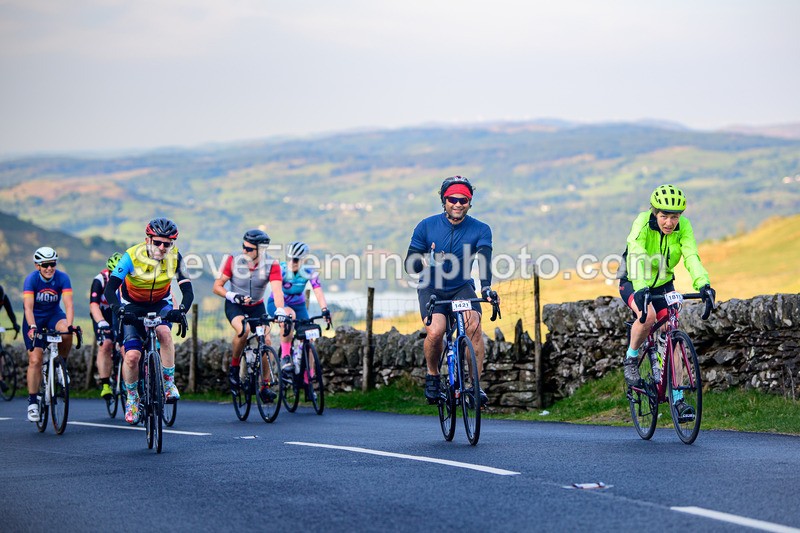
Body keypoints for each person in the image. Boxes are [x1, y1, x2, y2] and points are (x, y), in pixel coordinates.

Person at [618, 184, 715, 420]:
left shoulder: (684, 227)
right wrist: (641, 289)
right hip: (632, 278)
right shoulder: (642, 222)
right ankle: (631, 359)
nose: (669, 222)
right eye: (664, 216)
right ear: (654, 213)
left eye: (674, 216)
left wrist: (703, 284)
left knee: (674, 335)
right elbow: (637, 255)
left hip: (663, 283)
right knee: (648, 316)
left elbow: (691, 255)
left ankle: (678, 401)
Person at [404, 175, 496, 406]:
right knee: (436, 331)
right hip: (431, 287)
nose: (457, 203)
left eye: (463, 200)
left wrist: (486, 288)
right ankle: (433, 375)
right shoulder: (426, 226)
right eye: (452, 199)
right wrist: (426, 261)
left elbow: (484, 260)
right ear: (444, 201)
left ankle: (474, 386)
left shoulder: (481, 229)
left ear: (469, 203)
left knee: (473, 326)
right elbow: (410, 264)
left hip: (461, 287)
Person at [104, 218, 194, 424]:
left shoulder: (176, 258)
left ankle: (168, 382)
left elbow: (187, 290)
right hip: (132, 305)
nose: (162, 248)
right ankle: (133, 398)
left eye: (167, 243)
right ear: (148, 240)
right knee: (132, 357)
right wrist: (119, 309)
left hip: (160, 303)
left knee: (164, 333)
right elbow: (110, 289)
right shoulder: (131, 256)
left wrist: (181, 310)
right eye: (157, 242)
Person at [212, 229, 287, 403]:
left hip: (257, 306)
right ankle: (234, 367)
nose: (244, 251)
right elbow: (217, 286)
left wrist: (280, 310)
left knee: (266, 340)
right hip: (235, 304)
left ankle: (265, 386)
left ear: (260, 250)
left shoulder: (272, 264)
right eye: (243, 247)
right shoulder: (233, 260)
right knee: (243, 330)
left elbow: (277, 291)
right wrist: (232, 295)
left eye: (249, 249)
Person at [22, 247, 75, 422]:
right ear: (37, 265)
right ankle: (32, 402)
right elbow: (28, 308)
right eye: (45, 265)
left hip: (53, 315)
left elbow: (68, 305)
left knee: (67, 332)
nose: (49, 268)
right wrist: (32, 327)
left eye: (52, 264)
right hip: (34, 318)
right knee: (36, 359)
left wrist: (70, 324)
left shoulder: (62, 278)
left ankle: (61, 366)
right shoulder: (31, 280)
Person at [267, 241, 331, 371]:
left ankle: (309, 378)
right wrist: (282, 312)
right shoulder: (281, 270)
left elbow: (318, 291)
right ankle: (285, 356)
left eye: (295, 259)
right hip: (277, 304)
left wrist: (324, 309)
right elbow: (277, 291)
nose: (292, 262)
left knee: (309, 337)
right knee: (289, 315)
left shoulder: (309, 271)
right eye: (289, 258)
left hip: (299, 306)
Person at [90, 252, 123, 399]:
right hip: (102, 315)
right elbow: (94, 305)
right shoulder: (100, 280)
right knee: (106, 344)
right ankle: (105, 385)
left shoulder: (129, 281)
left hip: (119, 314)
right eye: (113, 273)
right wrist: (101, 322)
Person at [0, 283, 21, 394]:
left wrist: (15, 324)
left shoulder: (4, 298)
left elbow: (10, 312)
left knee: (0, 352)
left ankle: (1, 378)